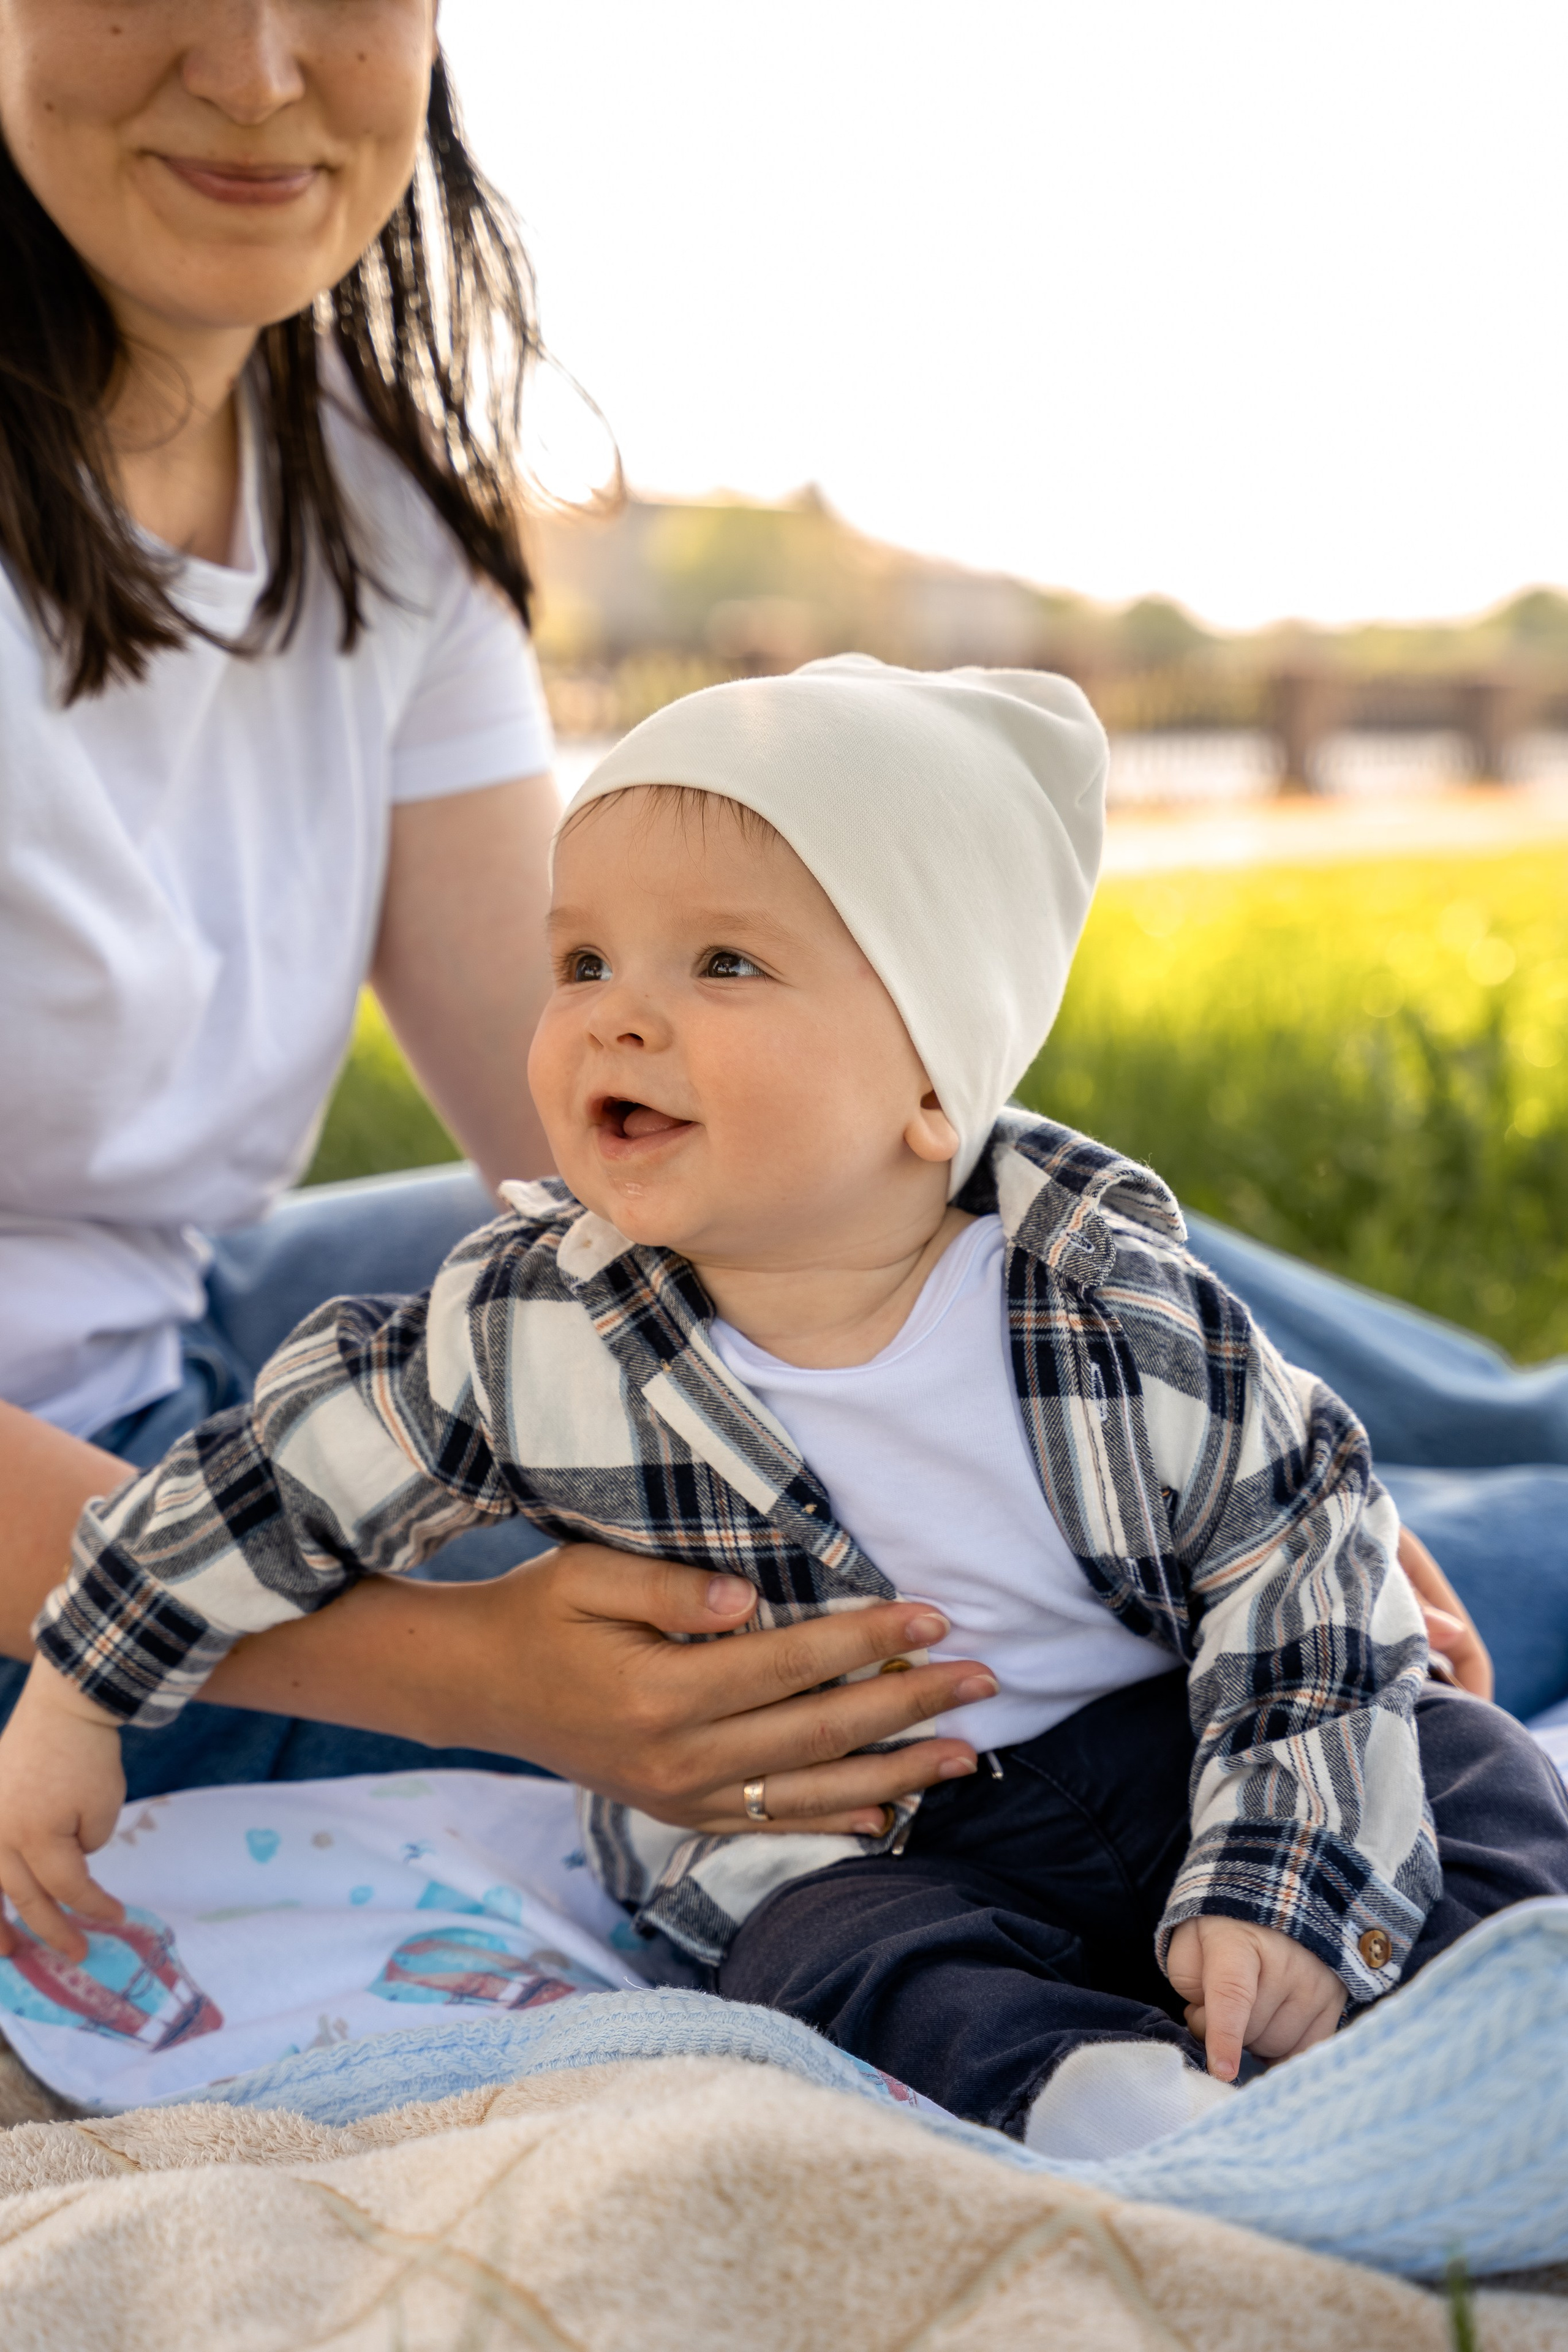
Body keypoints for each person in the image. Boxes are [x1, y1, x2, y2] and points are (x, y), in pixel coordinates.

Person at [6, 658, 1564, 2141]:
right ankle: (1097, 2102)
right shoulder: (528, 1327)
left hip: (1155, 1738)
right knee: (822, 1969)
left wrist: (1275, 1877)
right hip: (844, 1837)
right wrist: (80, 1689)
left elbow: (1295, 1571)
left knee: (1446, 1756)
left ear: (935, 1085)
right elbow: (273, 1479)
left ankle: (1480, 2036)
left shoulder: (1106, 1305)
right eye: (581, 962)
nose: (616, 1012)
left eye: (724, 963)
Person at [0, 0, 998, 1841]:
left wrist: (1201, 1452)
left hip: (190, 1327)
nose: (258, 68)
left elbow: (594, 1123)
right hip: (40, 1552)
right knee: (977, 1677)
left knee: (897, 1201)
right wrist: (469, 1663)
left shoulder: (378, 521)